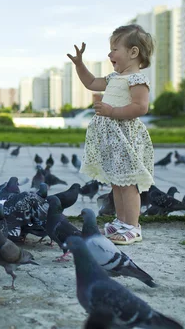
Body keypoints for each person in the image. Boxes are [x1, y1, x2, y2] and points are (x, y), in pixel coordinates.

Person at [67, 24, 154, 245]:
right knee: (117, 181)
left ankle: (133, 227)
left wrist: (112, 112)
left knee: (128, 183)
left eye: (115, 49)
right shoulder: (114, 77)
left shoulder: (136, 80)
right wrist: (79, 65)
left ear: (133, 52)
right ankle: (122, 220)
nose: (109, 54)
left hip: (125, 137)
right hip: (111, 139)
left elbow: (140, 107)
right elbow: (90, 82)